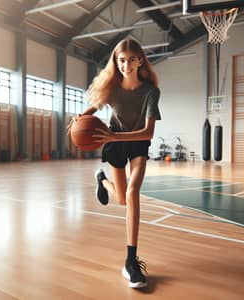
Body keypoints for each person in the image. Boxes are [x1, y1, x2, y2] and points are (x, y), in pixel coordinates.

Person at [71, 39, 161, 289]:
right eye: (122, 60)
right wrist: (78, 120)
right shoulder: (111, 89)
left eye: (132, 59)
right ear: (116, 61)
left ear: (140, 60)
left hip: (137, 143)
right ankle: (102, 180)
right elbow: (90, 111)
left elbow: (148, 133)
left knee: (133, 192)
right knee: (122, 199)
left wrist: (114, 135)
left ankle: (131, 261)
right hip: (116, 144)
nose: (126, 65)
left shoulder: (150, 91)